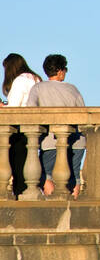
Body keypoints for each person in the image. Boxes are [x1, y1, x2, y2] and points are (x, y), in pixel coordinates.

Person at [25, 55, 86, 199]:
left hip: (50, 140)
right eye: (65, 69)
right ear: (59, 71)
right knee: (74, 177)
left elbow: (30, 112)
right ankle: (73, 207)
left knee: (45, 176)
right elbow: (83, 114)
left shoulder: (38, 88)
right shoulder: (73, 89)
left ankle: (53, 206)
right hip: (76, 140)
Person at [2, 54, 42, 197]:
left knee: (18, 165)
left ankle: (19, 194)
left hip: (21, 130)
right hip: (34, 127)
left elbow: (14, 107)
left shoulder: (20, 80)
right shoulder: (36, 78)